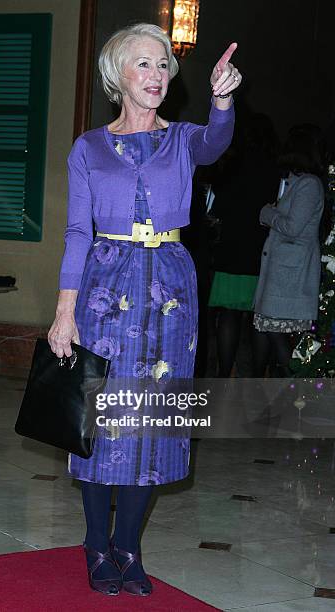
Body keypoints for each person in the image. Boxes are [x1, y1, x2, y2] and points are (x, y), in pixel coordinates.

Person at [48, 23, 240, 596]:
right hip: (106, 283)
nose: (157, 75)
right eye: (144, 64)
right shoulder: (88, 147)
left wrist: (223, 98)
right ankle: (94, 542)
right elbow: (77, 231)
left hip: (170, 288)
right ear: (117, 76)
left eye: (163, 65)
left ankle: (128, 546)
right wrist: (65, 311)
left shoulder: (184, 138)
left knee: (152, 420)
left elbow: (217, 142)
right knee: (103, 420)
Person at [207, 113, 281, 376]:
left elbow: (217, 208)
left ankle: (224, 372)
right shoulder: (275, 169)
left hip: (232, 247)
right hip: (262, 249)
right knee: (259, 318)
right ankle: (257, 376)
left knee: (228, 314)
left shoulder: (232, 165)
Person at [252, 125, 325, 376]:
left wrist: (267, 213)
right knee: (263, 328)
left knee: (274, 333)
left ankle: (295, 390)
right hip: (281, 276)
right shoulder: (297, 182)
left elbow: (293, 227)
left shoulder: (309, 185)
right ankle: (257, 385)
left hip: (290, 278)